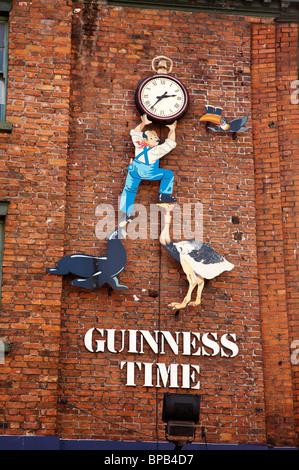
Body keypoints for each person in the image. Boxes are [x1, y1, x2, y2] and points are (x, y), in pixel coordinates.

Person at [119, 114, 177, 216]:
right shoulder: (156, 151)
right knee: (168, 174)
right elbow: (170, 144)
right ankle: (163, 196)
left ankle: (125, 212)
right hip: (147, 172)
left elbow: (135, 133)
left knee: (129, 189)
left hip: (134, 170)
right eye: (153, 137)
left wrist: (143, 124)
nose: (157, 139)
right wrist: (172, 130)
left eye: (156, 137)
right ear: (146, 139)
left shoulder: (139, 144)